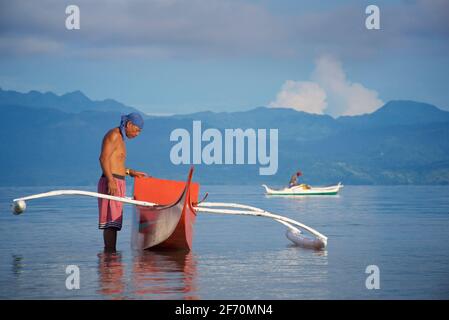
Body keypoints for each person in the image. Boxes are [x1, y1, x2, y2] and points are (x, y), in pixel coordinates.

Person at [98, 112, 147, 252]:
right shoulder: (114, 135)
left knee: (114, 223)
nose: (137, 134)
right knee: (110, 223)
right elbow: (103, 159)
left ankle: (111, 256)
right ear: (129, 124)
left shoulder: (121, 139)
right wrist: (110, 180)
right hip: (111, 182)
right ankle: (109, 255)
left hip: (117, 181)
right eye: (137, 130)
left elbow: (115, 164)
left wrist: (130, 172)